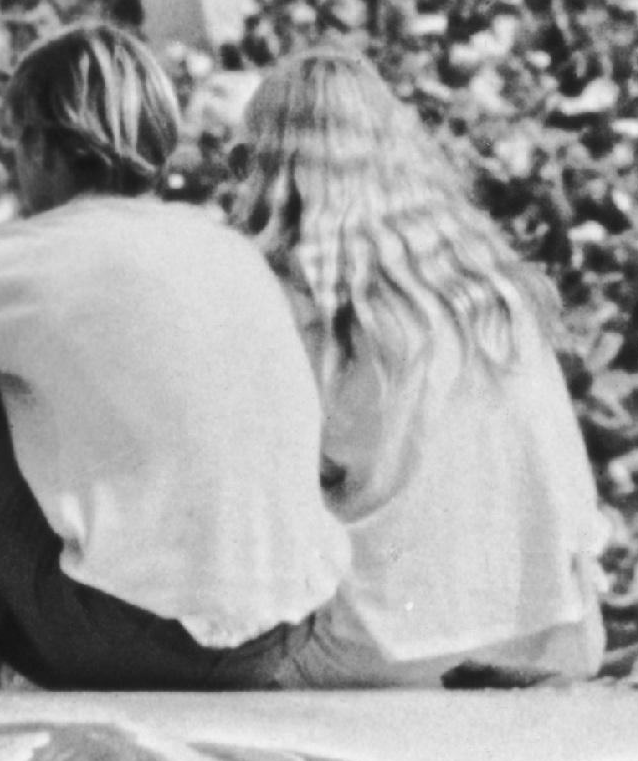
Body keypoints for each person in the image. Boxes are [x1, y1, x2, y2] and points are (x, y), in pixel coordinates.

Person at [0, 28, 345, 691]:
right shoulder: (225, 246)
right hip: (277, 636)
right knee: (84, 470)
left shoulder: (28, 260)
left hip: (145, 642)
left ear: (39, 144)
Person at [233, 49, 605, 686]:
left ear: (268, 166)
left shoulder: (287, 302)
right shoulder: (493, 289)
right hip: (553, 633)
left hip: (380, 648)